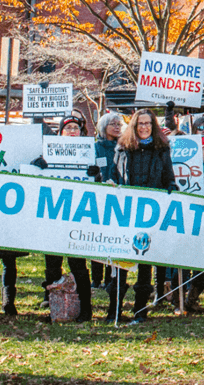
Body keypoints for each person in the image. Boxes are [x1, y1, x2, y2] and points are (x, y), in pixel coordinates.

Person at [105, 109, 176, 324]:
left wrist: (171, 189)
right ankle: (114, 311)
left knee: (145, 264)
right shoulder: (122, 148)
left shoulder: (162, 150)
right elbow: (112, 174)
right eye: (140, 124)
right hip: (126, 213)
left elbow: (169, 178)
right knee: (120, 266)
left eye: (148, 123)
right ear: (134, 126)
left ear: (153, 126)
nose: (144, 127)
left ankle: (140, 311)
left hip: (150, 215)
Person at [32, 114, 94, 322]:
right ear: (59, 133)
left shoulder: (89, 153)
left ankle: (86, 308)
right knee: (52, 265)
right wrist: (37, 165)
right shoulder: (48, 154)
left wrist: (97, 173)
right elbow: (32, 177)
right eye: (68, 128)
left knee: (78, 266)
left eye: (76, 128)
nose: (72, 131)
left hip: (79, 217)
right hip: (53, 217)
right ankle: (54, 306)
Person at [89, 112, 125, 288]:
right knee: (97, 238)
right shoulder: (95, 147)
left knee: (114, 238)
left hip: (118, 196)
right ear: (104, 126)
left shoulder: (125, 147)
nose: (117, 127)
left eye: (120, 124)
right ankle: (96, 279)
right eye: (113, 124)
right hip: (98, 197)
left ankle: (113, 278)